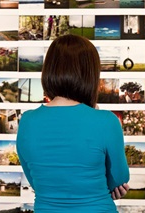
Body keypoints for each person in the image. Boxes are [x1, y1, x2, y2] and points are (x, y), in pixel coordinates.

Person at [16, 34, 130, 213]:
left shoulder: (27, 121)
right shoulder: (107, 121)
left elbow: (35, 182)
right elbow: (119, 179)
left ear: (49, 70)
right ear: (90, 75)